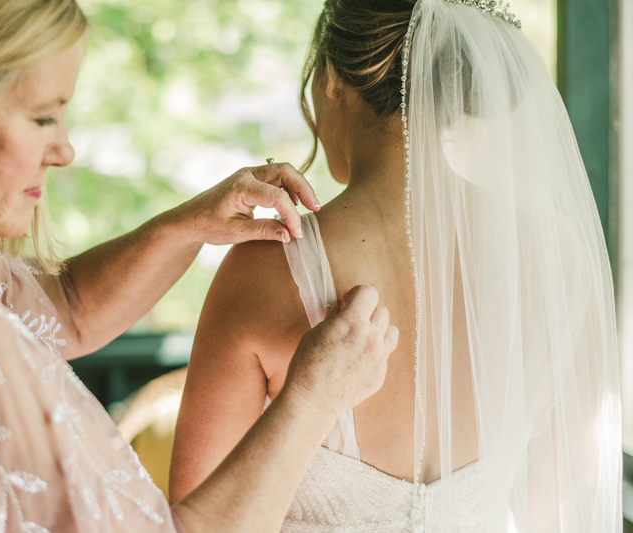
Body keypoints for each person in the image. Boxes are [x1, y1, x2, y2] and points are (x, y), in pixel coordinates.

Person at [0, 0, 401, 532]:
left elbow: (69, 307)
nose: (65, 150)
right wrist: (311, 400)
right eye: (42, 119)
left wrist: (188, 226)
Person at [171, 0, 623, 531]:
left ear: (334, 78)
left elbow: (193, 518)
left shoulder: (264, 271)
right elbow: (562, 501)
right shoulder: (559, 261)